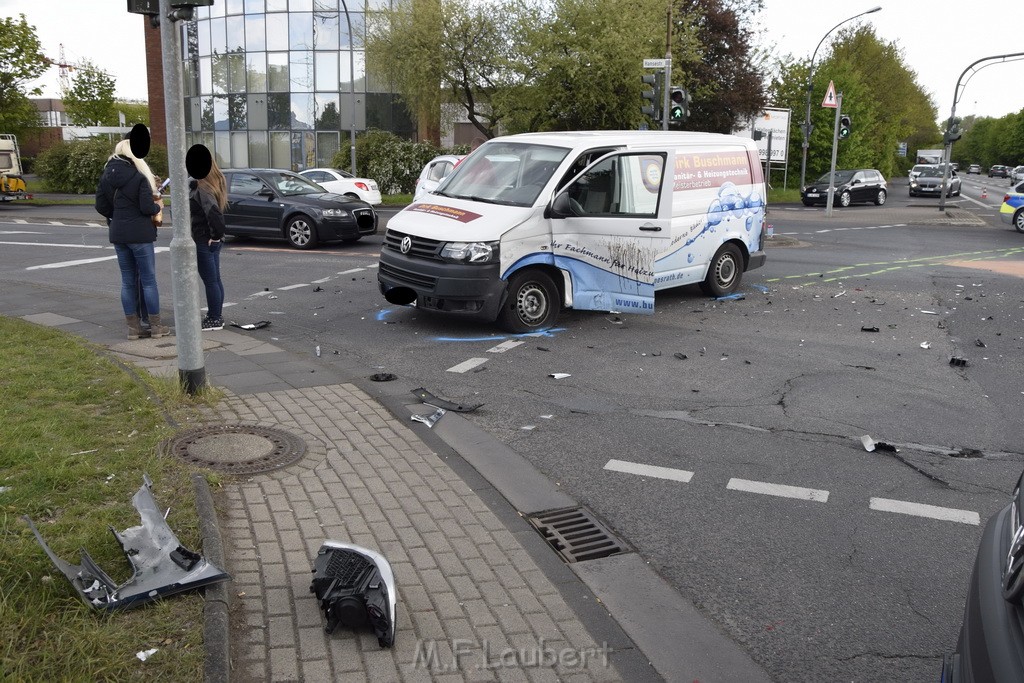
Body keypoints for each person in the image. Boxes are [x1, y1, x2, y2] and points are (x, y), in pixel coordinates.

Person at [95, 138, 168, 340]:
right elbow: (147, 208)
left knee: (127, 282)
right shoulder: (139, 177)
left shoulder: (106, 176)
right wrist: (158, 208)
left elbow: (101, 206)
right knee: (148, 281)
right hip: (140, 234)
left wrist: (116, 214)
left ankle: (134, 329)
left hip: (118, 233)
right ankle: (155, 327)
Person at [189, 154, 228, 331]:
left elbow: (213, 213)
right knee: (215, 280)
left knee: (210, 280)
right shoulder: (213, 183)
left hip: (204, 239)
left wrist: (215, 235)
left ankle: (214, 318)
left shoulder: (203, 188)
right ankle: (216, 315)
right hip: (210, 238)